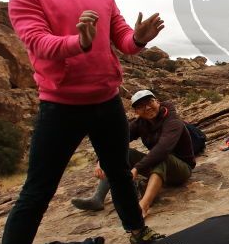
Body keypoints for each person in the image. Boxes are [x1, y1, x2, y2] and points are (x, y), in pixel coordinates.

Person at [0, 0, 166, 244]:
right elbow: (37, 42)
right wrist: (78, 43)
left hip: (106, 102)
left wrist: (138, 38)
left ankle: (137, 231)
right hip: (61, 107)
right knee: (38, 189)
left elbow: (121, 38)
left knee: (119, 172)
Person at [72, 90, 196, 218]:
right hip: (158, 169)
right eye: (141, 106)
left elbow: (163, 149)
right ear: (136, 112)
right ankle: (97, 199)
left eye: (150, 102)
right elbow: (117, 141)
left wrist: (137, 168)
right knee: (123, 153)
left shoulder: (173, 121)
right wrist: (101, 161)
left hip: (182, 170)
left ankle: (143, 205)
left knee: (161, 157)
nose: (147, 108)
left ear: (157, 102)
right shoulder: (140, 123)